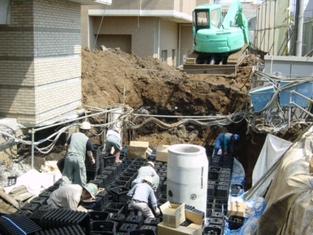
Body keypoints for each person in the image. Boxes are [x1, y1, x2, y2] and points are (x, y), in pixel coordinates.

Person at [61, 121, 95, 187]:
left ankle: (63, 191)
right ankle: (81, 193)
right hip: (79, 159)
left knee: (66, 176)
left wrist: (66, 154)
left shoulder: (73, 135)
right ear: (87, 131)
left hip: (69, 157)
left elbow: (66, 145)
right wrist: (92, 159)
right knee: (80, 178)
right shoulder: (86, 139)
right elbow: (89, 152)